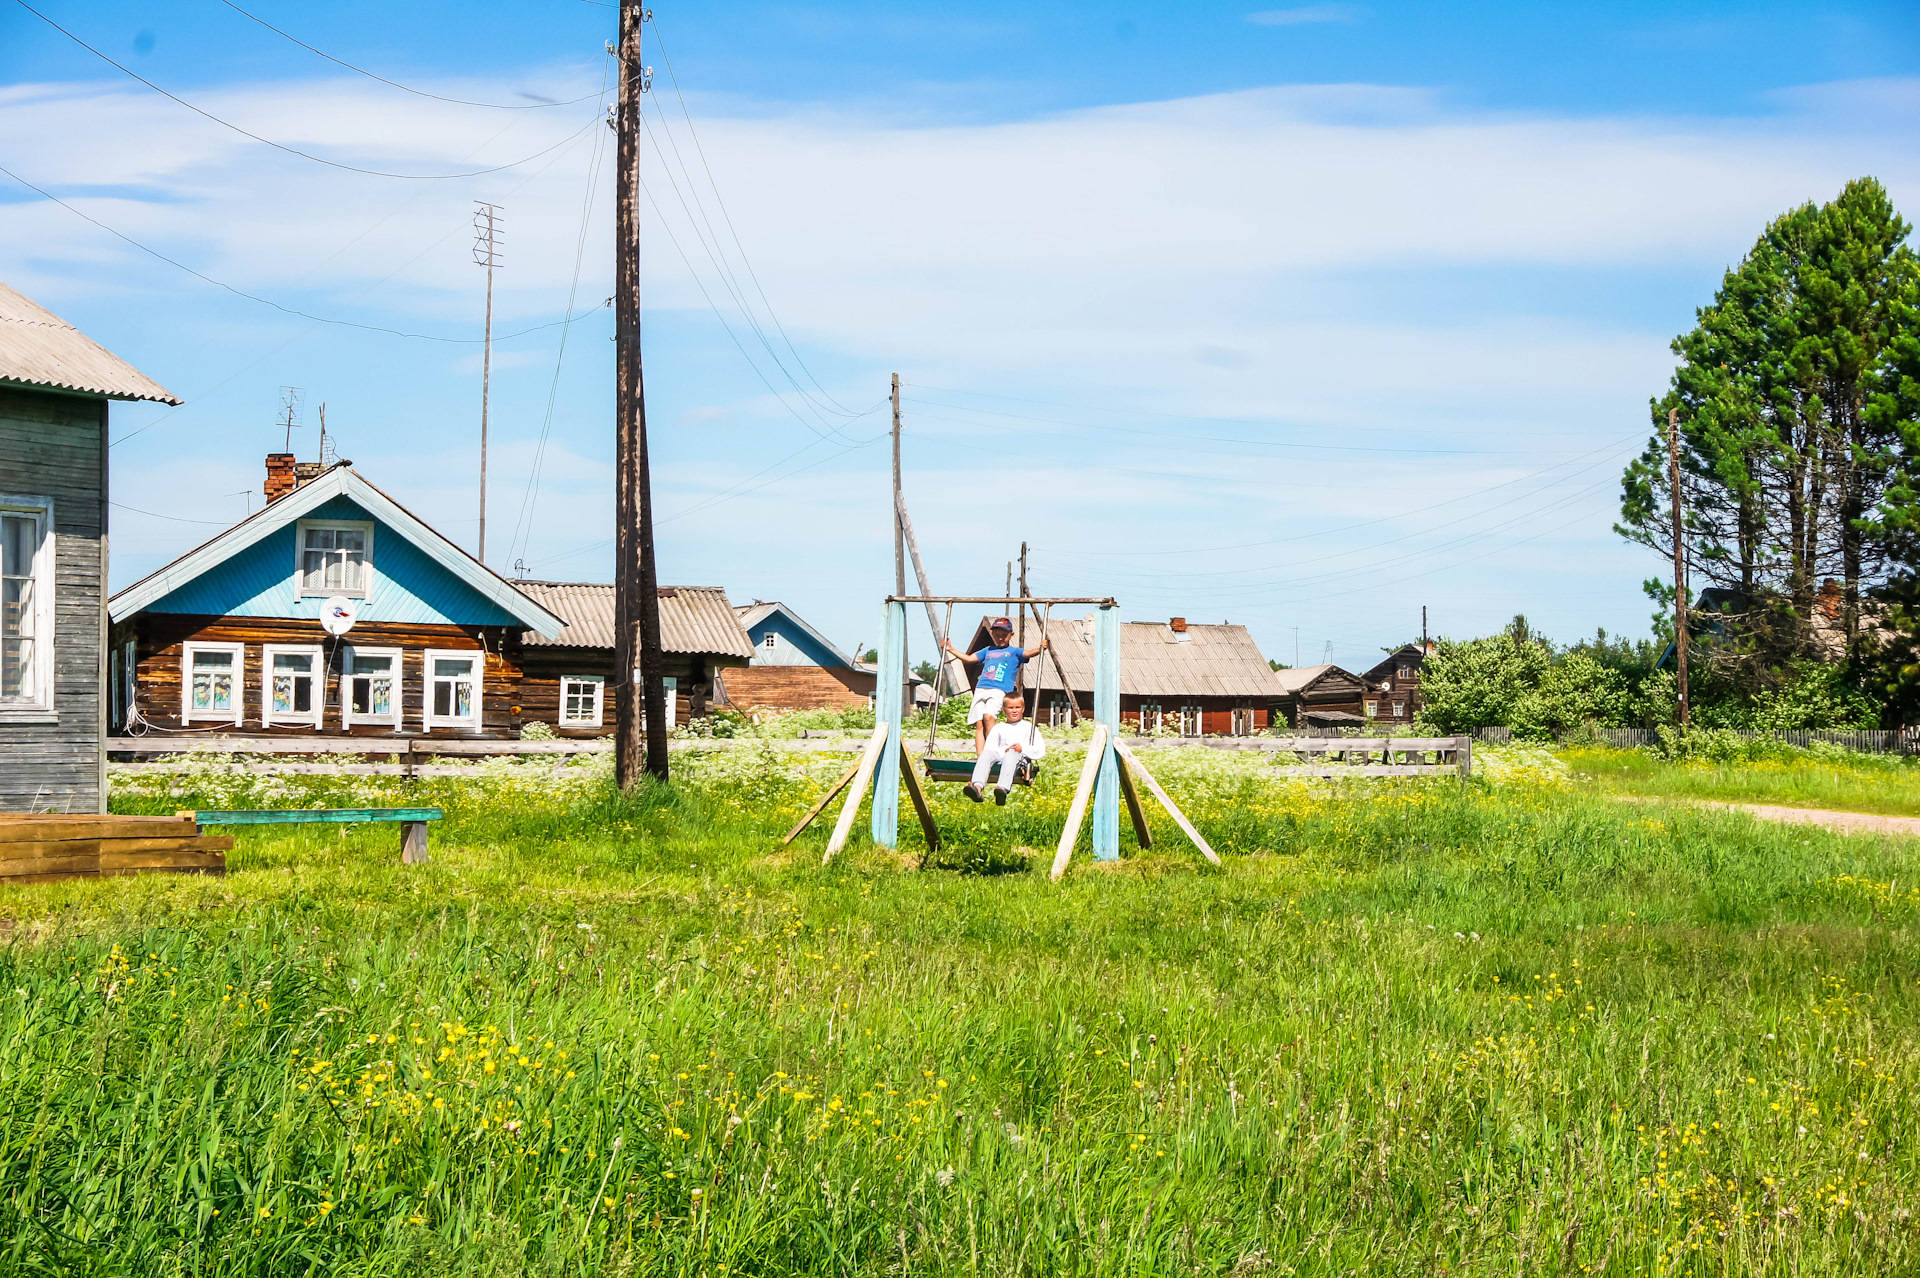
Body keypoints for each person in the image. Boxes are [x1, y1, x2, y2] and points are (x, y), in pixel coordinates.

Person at [944, 617, 1049, 756]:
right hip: (982, 688)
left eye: (1004, 635)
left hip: (999, 689)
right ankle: (981, 757)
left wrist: (1041, 648)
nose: (1000, 638)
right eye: (997, 635)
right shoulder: (988, 650)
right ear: (992, 634)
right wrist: (950, 649)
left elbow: (1028, 653)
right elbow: (969, 658)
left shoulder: (1014, 652)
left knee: (989, 717)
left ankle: (994, 752)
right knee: (980, 723)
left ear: (1011, 634)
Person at [963, 693, 1046, 805]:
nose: (1014, 711)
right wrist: (1004, 751)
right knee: (986, 753)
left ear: (1023, 709)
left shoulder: (1029, 727)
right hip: (1002, 758)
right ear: (1004, 710)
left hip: (1020, 761)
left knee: (1011, 754)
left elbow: (1040, 750)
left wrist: (1023, 748)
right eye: (1010, 708)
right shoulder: (999, 728)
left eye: (1017, 707)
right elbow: (990, 748)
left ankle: (1002, 789)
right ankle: (977, 787)